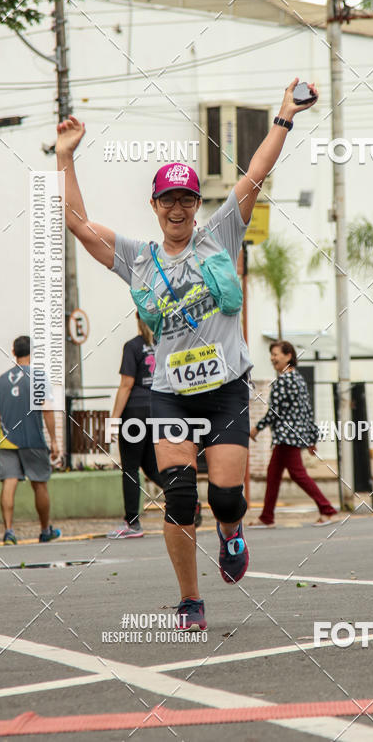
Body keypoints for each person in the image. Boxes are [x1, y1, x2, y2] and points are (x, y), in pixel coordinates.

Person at [54, 78, 318, 631]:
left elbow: (255, 173)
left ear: (198, 206)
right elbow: (76, 223)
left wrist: (284, 116)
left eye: (187, 199)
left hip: (225, 391)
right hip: (171, 396)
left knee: (224, 498)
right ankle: (190, 600)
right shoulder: (138, 257)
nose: (178, 207)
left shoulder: (220, 235)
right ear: (155, 205)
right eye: (168, 199)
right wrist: (65, 157)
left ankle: (231, 533)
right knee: (178, 496)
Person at [106, 314, 202, 538]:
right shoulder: (167, 345)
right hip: (159, 409)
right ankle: (190, 498)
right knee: (150, 466)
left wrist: (113, 420)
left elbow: (126, 384)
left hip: (135, 412)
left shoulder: (133, 346)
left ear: (139, 320)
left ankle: (133, 524)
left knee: (130, 468)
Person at [249, 341, 339, 527]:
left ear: (288, 356)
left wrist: (256, 428)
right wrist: (311, 438)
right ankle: (267, 517)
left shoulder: (283, 381)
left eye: (276, 354)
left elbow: (275, 413)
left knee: (298, 475)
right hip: (294, 436)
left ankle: (327, 509)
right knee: (273, 474)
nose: (273, 358)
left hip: (285, 437)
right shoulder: (298, 379)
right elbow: (307, 411)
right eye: (272, 354)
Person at [0, 336, 61, 544]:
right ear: (32, 353)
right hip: (33, 438)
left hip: (7, 440)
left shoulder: (2, 379)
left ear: (14, 353)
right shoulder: (38, 377)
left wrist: (3, 430)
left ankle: (9, 531)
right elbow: (47, 409)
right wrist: (55, 441)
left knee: (9, 482)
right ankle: (45, 529)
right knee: (39, 484)